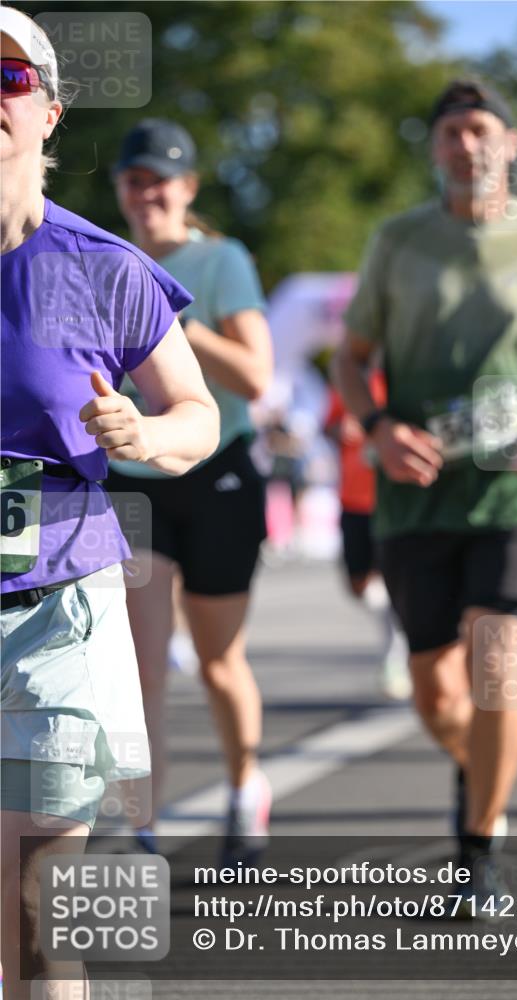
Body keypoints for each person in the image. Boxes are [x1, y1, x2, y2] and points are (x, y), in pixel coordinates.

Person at [334, 78, 517, 907]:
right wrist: (379, 427)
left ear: (511, 143)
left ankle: (479, 848)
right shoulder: (397, 240)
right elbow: (351, 357)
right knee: (434, 690)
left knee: (497, 663)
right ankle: (481, 768)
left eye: (480, 129)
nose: (466, 145)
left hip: (512, 493)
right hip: (413, 493)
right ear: (433, 148)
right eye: (451, 132)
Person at [0, 8, 219, 998]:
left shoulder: (97, 268)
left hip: (57, 607)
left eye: (7, 81)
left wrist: (146, 434)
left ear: (48, 112)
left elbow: (200, 413)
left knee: (38, 895)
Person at [107, 118, 273, 861]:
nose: (148, 193)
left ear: (189, 188)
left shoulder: (221, 258)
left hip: (216, 472)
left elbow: (255, 376)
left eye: (161, 180)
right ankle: (145, 822)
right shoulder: (101, 261)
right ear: (119, 188)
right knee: (142, 660)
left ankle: (245, 786)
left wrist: (165, 318)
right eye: (135, 179)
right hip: (133, 482)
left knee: (217, 659)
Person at [325, 369, 411, 699]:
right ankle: (394, 631)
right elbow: (329, 424)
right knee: (358, 583)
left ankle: (396, 651)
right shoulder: (347, 380)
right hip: (352, 498)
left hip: (391, 498)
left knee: (395, 579)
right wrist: (340, 429)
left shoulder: (398, 376)